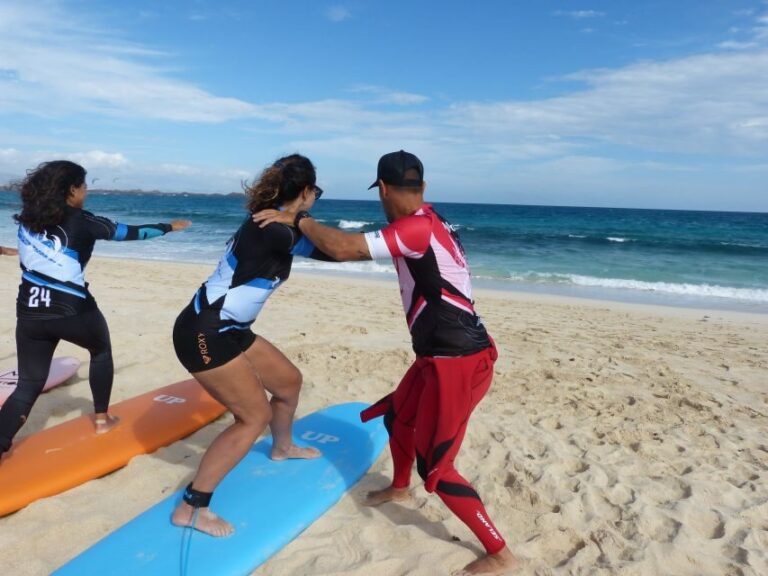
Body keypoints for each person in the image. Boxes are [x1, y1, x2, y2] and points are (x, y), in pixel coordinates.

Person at [253, 150, 517, 575]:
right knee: (398, 417)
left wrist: (297, 219)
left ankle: (500, 553)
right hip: (437, 356)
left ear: (385, 189)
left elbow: (343, 248)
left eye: (380, 193)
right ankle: (399, 488)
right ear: (422, 187)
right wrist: (287, 239)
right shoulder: (428, 220)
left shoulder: (415, 228)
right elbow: (339, 249)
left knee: (438, 464)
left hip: (459, 362)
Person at [170, 153, 329, 538]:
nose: (316, 198)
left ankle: (283, 447)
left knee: (288, 382)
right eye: (316, 192)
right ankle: (192, 506)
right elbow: (339, 250)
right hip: (204, 332)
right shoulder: (274, 227)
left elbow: (327, 246)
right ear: (305, 192)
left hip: (232, 328)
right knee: (252, 417)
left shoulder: (275, 221)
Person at [0, 160, 190, 456]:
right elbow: (131, 233)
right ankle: (102, 419)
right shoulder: (83, 221)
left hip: (30, 313)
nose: (86, 191)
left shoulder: (27, 220)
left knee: (28, 385)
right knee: (100, 351)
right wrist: (168, 227)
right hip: (72, 310)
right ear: (71, 189)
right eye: (84, 185)